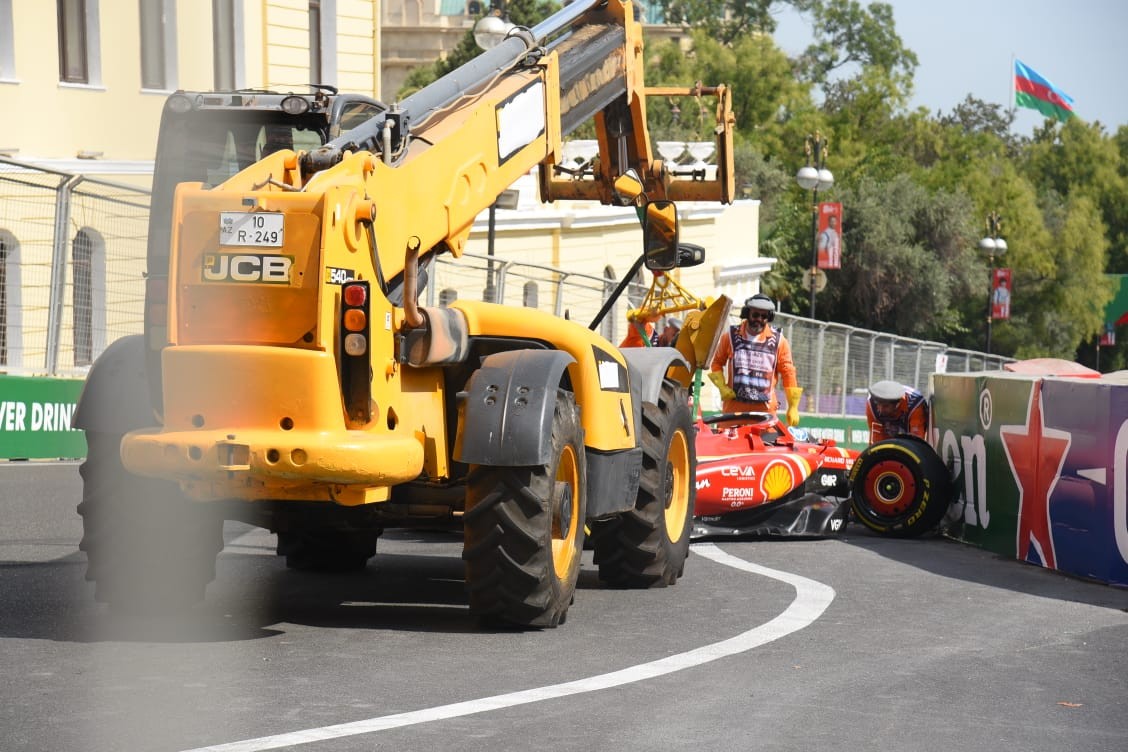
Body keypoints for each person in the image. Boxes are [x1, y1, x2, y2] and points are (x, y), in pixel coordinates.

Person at [708, 294, 803, 426]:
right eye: (755, 315)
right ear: (747, 313)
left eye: (764, 317)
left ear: (769, 317)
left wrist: (793, 406)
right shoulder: (730, 337)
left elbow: (788, 373)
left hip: (764, 415)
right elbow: (717, 362)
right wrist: (722, 387)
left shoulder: (779, 341)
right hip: (733, 412)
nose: (759, 319)